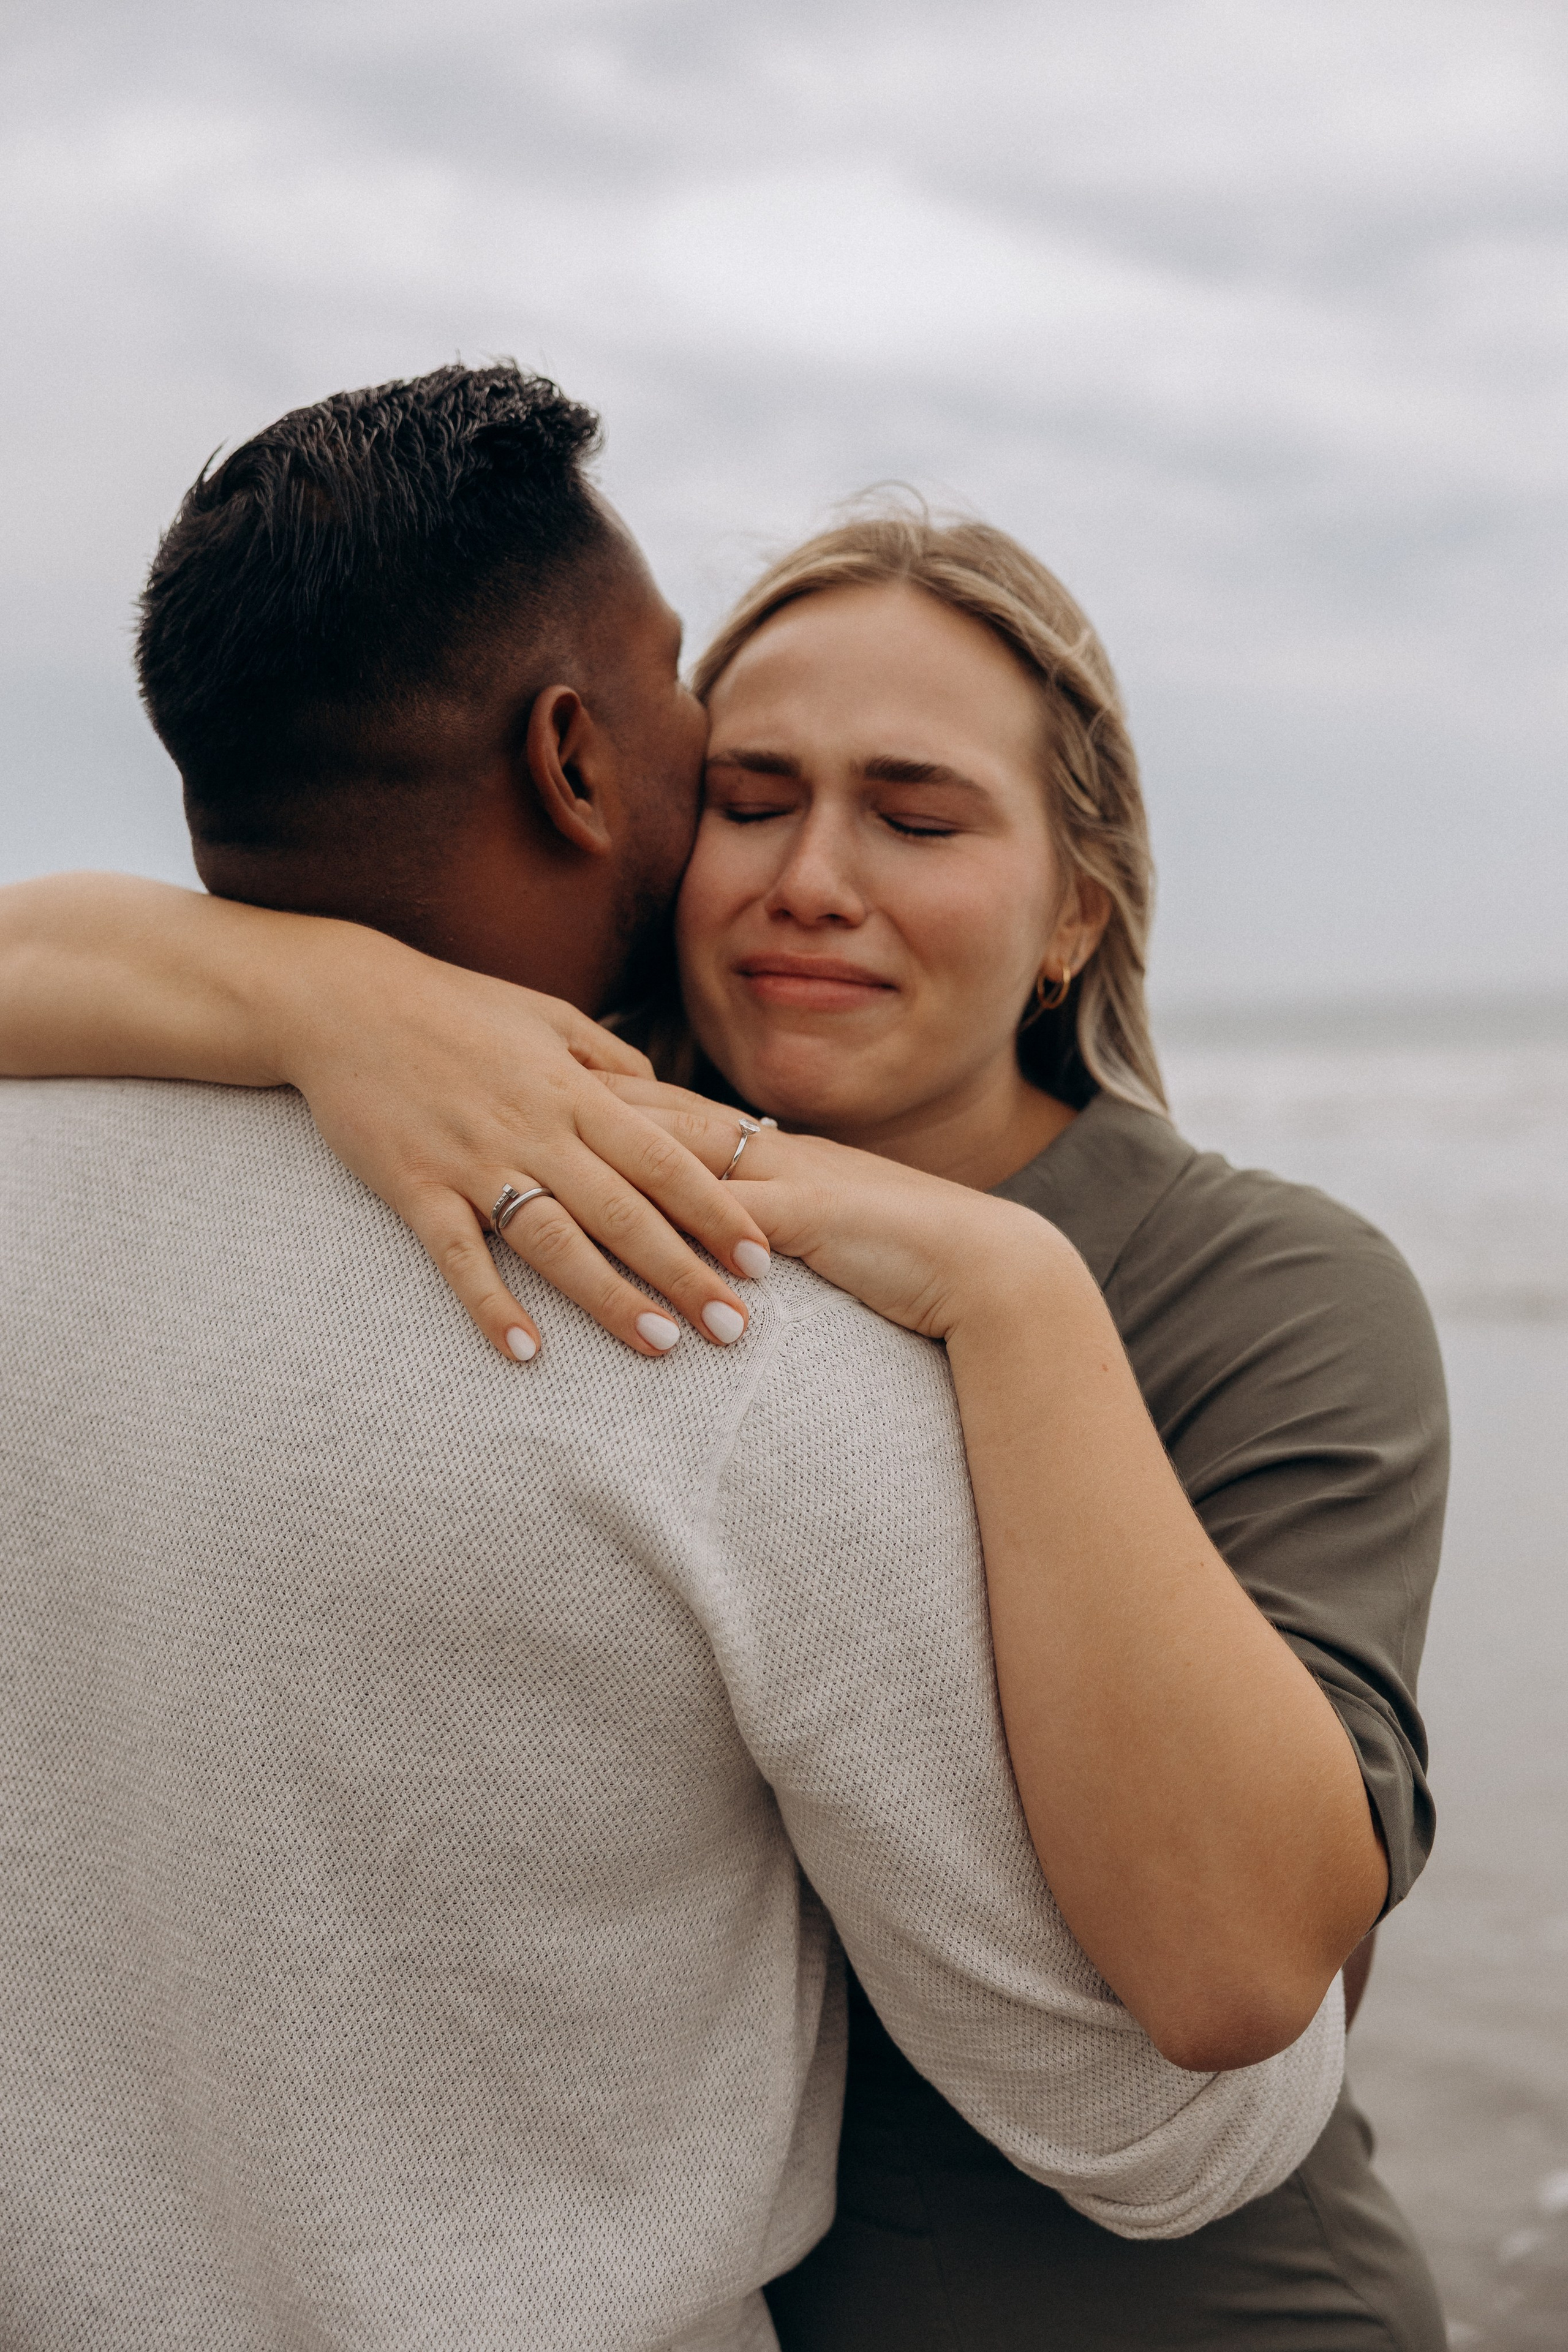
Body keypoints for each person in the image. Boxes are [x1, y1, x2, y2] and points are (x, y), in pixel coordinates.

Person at [0, 366, 1445, 2347]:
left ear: (1071, 915)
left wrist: (1008, 1299)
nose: (811, 878)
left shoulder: (1267, 1286)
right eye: (749, 795)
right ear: (619, 791)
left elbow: (1251, 1971)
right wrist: (316, 991)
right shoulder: (573, 1157)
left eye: (917, 815)